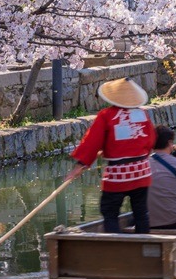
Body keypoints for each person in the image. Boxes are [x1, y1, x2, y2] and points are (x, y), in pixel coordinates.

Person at [65, 78, 155, 234]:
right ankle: (144, 247)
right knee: (141, 212)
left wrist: (80, 165)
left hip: (118, 174)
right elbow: (150, 140)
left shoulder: (107, 115)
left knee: (109, 212)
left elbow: (92, 142)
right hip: (142, 171)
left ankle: (114, 247)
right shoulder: (142, 114)